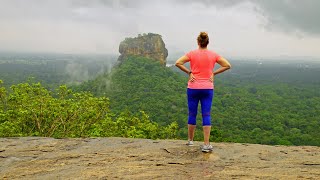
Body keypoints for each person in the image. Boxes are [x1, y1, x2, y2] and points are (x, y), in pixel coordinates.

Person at [175, 32, 231, 152]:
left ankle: (190, 141)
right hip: (207, 87)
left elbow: (178, 62)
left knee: (192, 113)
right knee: (206, 114)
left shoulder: (192, 54)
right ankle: (206, 144)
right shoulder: (213, 55)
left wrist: (189, 73)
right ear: (207, 42)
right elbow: (227, 65)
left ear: (198, 42)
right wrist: (213, 73)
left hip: (193, 87)